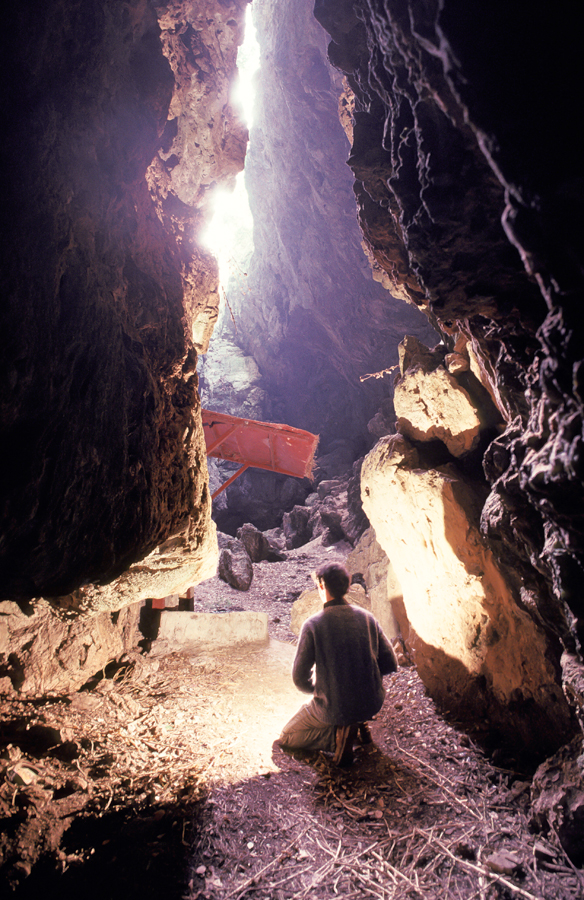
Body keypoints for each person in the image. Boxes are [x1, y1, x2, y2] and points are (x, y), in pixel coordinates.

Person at [279, 562, 397, 766]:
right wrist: (366, 680)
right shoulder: (367, 618)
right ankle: (356, 724)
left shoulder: (313, 625)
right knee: (350, 705)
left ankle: (336, 738)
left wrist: (321, 689)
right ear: (348, 587)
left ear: (321, 586)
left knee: (287, 736)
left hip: (333, 705)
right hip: (371, 701)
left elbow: (299, 678)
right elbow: (390, 663)